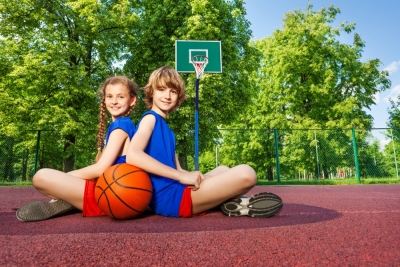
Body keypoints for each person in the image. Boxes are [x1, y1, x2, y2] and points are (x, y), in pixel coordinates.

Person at [126, 66, 282, 218]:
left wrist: (191, 175)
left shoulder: (168, 130)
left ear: (178, 97)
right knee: (247, 173)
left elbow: (178, 169)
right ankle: (231, 200)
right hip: (170, 198)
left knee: (222, 169)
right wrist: (180, 177)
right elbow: (133, 155)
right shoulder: (150, 118)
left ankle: (229, 203)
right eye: (161, 89)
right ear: (151, 92)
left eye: (173, 91)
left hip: (175, 188)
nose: (167, 96)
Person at [16, 76, 138, 221]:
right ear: (104, 100)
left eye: (121, 96)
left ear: (132, 100)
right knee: (49, 180)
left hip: (112, 196)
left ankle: (71, 198)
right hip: (112, 192)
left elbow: (100, 169)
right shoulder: (125, 125)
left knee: (41, 177)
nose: (114, 101)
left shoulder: (121, 126)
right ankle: (72, 198)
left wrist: (65, 178)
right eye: (109, 96)